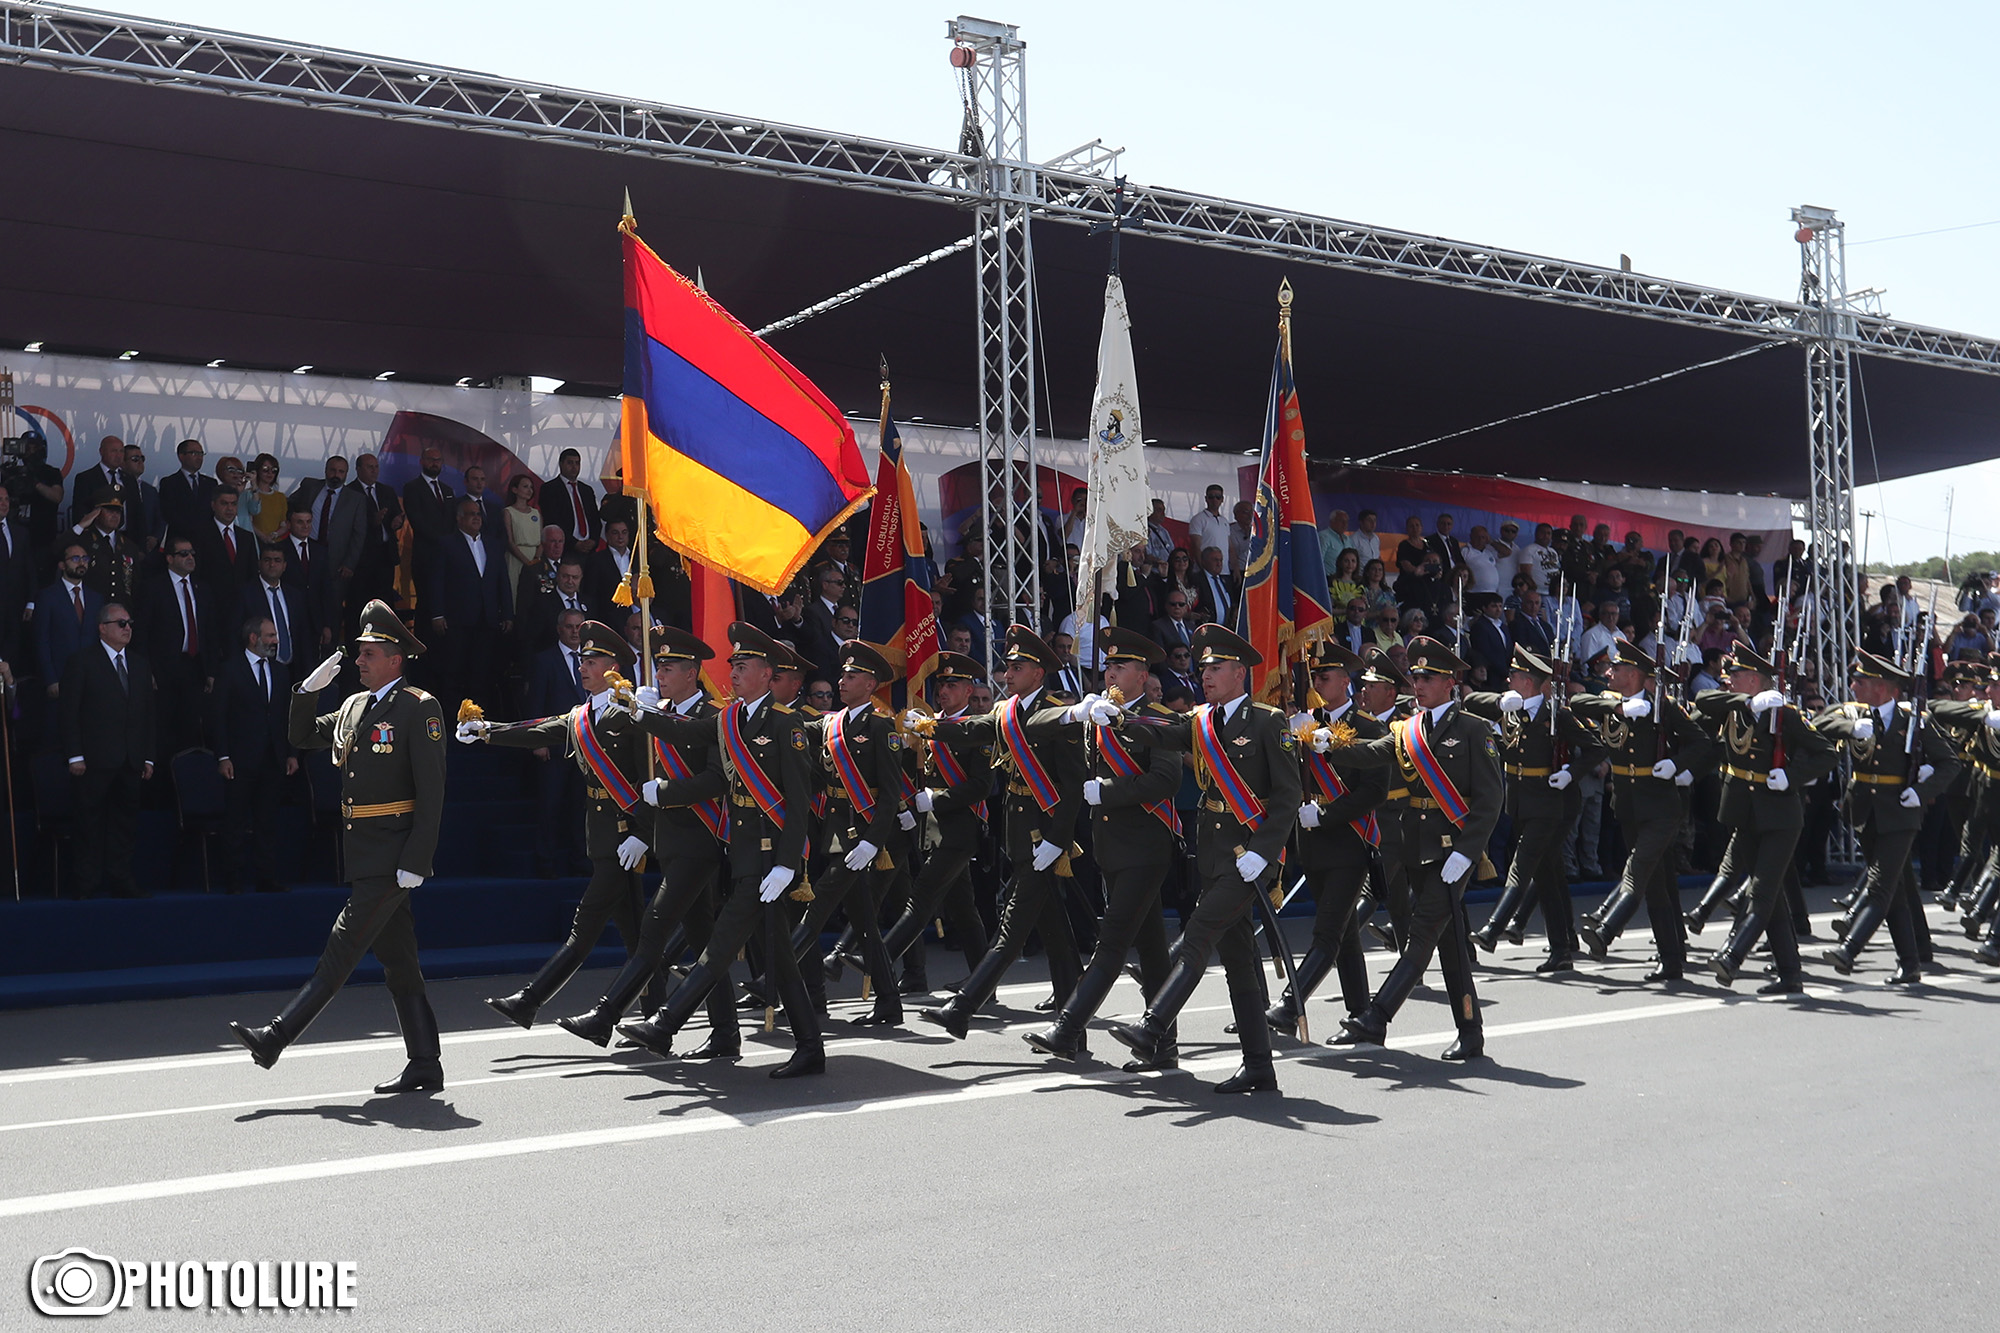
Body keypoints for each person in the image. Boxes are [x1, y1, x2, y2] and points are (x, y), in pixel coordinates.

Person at [229, 603, 448, 1093]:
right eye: (360, 654)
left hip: (391, 858)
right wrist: (306, 692)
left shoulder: (419, 707)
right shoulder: (353, 706)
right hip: (365, 854)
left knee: (340, 951)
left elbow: (431, 791)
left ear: (395, 659)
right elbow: (301, 735)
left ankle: (275, 1037)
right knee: (399, 963)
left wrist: (416, 859)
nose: (360, 662)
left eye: (369, 654)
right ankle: (425, 1062)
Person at [614, 622, 825, 1080]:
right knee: (782, 960)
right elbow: (690, 735)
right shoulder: (730, 719)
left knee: (721, 945)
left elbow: (799, 798)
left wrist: (790, 863)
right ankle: (811, 1047)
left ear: (768, 674)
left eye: (743, 665)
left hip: (771, 857)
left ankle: (665, 1023)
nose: (733, 672)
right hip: (743, 852)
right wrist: (640, 714)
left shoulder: (787, 723)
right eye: (732, 664)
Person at [1097, 622, 1300, 1092]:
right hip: (1212, 855)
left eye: (1215, 668)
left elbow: (1288, 797)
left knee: (1197, 936)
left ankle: (1152, 1027)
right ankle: (1259, 1066)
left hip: (1247, 856)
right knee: (1238, 962)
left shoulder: (1269, 722)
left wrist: (1263, 853)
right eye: (1203, 668)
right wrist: (1122, 720)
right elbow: (1164, 732)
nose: (1205, 676)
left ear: (1239, 674)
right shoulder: (1202, 720)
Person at [1313, 637, 1500, 1059]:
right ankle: (1471, 1031)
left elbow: (1490, 801)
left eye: (1428, 677)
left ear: (1450, 682)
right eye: (1415, 676)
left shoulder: (1474, 730)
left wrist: (1468, 851)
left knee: (1419, 933)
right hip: (1416, 846)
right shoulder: (1406, 730)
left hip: (1452, 850)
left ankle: (1376, 1015)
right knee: (1450, 945)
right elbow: (1372, 754)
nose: (1418, 683)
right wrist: (1330, 744)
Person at [465, 621, 658, 1026]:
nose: (583, 666)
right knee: (637, 935)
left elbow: (650, 780)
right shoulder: (581, 715)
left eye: (592, 660)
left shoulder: (633, 715)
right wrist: (486, 732)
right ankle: (655, 1013)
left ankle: (530, 1000)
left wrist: (643, 833)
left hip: (624, 838)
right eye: (583, 659)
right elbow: (538, 730)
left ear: (614, 666)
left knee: (584, 925)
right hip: (602, 837)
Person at [553, 627, 736, 1047]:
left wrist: (667, 792)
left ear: (693, 673)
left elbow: (716, 779)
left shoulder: (713, 715)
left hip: (699, 839)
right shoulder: (656, 710)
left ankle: (605, 1015)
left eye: (669, 667)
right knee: (703, 939)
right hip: (669, 841)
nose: (660, 674)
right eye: (658, 666)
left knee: (653, 930)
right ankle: (725, 1032)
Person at [1021, 628, 1185, 1062]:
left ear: (1141, 673)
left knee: (1111, 943)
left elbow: (1166, 780)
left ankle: (1066, 1030)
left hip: (1145, 848)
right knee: (1150, 949)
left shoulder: (1158, 717)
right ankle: (1163, 1044)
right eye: (1108, 665)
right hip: (1110, 848)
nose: (1110, 672)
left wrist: (1108, 791)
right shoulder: (1097, 713)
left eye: (1120, 666)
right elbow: (1030, 726)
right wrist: (1075, 713)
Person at [914, 626, 1085, 1041]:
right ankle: (1072, 1028)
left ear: (1039, 672)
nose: (1007, 674)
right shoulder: (1008, 711)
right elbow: (973, 729)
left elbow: (1074, 783)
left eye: (1017, 666)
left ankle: (963, 1006)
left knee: (1011, 927)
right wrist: (929, 728)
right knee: (1057, 937)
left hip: (1043, 838)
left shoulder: (1057, 712)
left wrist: (1058, 839)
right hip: (1020, 835)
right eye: (1007, 666)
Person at [1683, 647, 1839, 992]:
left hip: (1780, 817)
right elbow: (1704, 700)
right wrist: (1745, 703)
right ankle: (1790, 973)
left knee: (1762, 891)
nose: (1729, 681)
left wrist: (1791, 776)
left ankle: (1732, 955)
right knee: (1772, 899)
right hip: (1744, 813)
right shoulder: (1735, 708)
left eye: (1736, 677)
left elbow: (1826, 753)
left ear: (1753, 680)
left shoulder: (1784, 715)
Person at [1569, 642, 1714, 984]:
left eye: (1615, 669)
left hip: (1662, 807)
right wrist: (1621, 709)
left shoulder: (1663, 708)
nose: (1608, 673)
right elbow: (1576, 701)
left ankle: (1607, 930)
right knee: (1657, 886)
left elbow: (1701, 743)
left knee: (1638, 868)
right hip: (1629, 806)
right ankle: (1672, 958)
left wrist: (1675, 764)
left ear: (1633, 674)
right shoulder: (1609, 703)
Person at [1811, 654, 1959, 984]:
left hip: (1901, 812)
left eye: (1860, 682)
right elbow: (1818, 723)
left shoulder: (1913, 721)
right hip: (1866, 811)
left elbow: (1950, 762)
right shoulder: (1856, 713)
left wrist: (1923, 790)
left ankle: (1849, 949)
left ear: (1883, 688)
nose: (1852, 686)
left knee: (1879, 886)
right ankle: (1910, 963)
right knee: (1895, 892)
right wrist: (1850, 727)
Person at [1263, 640, 1387, 1033]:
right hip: (1311, 841)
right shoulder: (1303, 725)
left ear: (1345, 681)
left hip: (1349, 842)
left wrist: (1327, 814)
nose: (1317, 681)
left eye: (1325, 676)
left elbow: (1374, 792)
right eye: (1314, 675)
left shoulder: (1368, 727)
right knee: (1346, 933)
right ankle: (1361, 1015)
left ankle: (1288, 1006)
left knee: (1327, 932)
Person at [783, 640, 909, 1025]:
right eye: (842, 674)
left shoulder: (881, 728)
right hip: (835, 830)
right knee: (865, 922)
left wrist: (873, 841)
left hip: (862, 836)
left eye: (851, 676)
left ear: (870, 685)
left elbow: (889, 794)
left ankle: (776, 977)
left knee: (819, 904)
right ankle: (889, 1000)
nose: (842, 680)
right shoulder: (831, 724)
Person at [1462, 647, 1604, 971]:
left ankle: (1493, 928)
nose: (1508, 679)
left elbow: (1596, 748)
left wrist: (1570, 773)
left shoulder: (1558, 714)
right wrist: (1498, 712)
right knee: (1548, 877)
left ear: (1528, 681)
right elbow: (1472, 705)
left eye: (1514, 676)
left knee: (1522, 863)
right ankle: (1562, 949)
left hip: (1549, 803)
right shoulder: (1511, 710)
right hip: (1520, 801)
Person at [876, 652, 994, 992]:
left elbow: (981, 785)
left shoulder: (976, 727)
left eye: (951, 684)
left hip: (961, 828)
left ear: (969, 691)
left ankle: (881, 959)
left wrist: (938, 798)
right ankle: (983, 982)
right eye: (940, 683)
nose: (942, 690)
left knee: (922, 893)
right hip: (933, 828)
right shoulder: (930, 724)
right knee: (962, 907)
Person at [61, 601, 155, 897]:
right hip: (94, 759)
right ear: (103, 628)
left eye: (129, 623)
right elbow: (69, 712)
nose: (128, 629)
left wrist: (148, 756)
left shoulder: (140, 664)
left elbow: (148, 714)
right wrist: (75, 754)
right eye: (121, 623)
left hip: (130, 759)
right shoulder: (82, 661)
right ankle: (86, 883)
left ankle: (121, 879)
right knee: (88, 823)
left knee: (124, 825)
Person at [210, 615, 296, 894]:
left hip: (273, 758)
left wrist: (290, 753)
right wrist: (223, 756)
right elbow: (218, 717)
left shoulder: (281, 671)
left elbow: (286, 716)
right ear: (253, 638)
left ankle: (266, 876)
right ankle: (233, 879)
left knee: (267, 822)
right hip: (239, 759)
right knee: (235, 821)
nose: (275, 640)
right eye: (270, 635)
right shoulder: (230, 670)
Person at [420, 497, 513, 712]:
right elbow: (436, 582)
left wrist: (508, 613)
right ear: (459, 518)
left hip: (487, 619)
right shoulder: (446, 543)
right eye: (471, 514)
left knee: (481, 673)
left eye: (478, 514)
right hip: (457, 620)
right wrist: (437, 614)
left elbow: (502, 581)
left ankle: (478, 722)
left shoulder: (493, 544)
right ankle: (452, 721)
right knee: (454, 672)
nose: (476, 518)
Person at [35, 540, 105, 701]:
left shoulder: (96, 598)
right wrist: (50, 679)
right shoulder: (47, 597)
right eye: (75, 559)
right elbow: (41, 640)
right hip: (60, 676)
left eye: (85, 558)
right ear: (61, 565)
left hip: (90, 677)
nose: (81, 562)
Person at [238, 543, 310, 670]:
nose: (272, 565)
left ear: (284, 566)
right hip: (262, 667)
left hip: (295, 667)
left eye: (277, 560)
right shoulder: (246, 594)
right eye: (267, 560)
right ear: (259, 564)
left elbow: (303, 633)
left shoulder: (295, 595)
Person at [192, 487, 258, 589]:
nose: (230, 508)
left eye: (234, 504)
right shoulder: (200, 534)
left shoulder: (246, 537)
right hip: (211, 599)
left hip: (242, 600)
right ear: (213, 505)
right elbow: (196, 571)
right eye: (224, 503)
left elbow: (252, 573)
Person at [157, 438, 220, 542]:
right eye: (194, 453)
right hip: (180, 540)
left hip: (206, 541)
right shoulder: (169, 482)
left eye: (201, 453)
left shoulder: (211, 483)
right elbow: (169, 514)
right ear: (181, 456)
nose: (199, 458)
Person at [540, 448, 600, 557]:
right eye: (570, 463)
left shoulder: (586, 490)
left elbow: (595, 519)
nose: (574, 467)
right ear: (561, 464)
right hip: (565, 549)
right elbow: (552, 519)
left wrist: (594, 540)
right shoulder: (550, 489)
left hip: (589, 550)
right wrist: (574, 543)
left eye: (577, 463)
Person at [290, 455, 349, 541]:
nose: (336, 475)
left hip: (337, 550)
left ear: (346, 474)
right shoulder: (310, 486)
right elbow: (288, 504)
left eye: (341, 471)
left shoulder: (355, 498)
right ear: (325, 470)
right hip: (307, 545)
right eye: (332, 470)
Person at [502, 473, 542, 593]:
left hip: (535, 559)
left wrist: (536, 559)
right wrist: (527, 562)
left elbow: (541, 541)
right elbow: (510, 541)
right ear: (514, 489)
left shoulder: (536, 513)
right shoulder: (508, 512)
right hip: (516, 559)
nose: (529, 490)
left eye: (531, 487)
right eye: (525, 486)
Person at [119, 444, 163, 554]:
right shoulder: (116, 487)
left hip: (147, 548)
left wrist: (155, 538)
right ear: (122, 463)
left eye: (142, 458)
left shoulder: (150, 490)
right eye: (135, 459)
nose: (140, 462)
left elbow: (160, 517)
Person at [245, 453, 289, 545]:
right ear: (257, 470)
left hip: (275, 544)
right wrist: (263, 537)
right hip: (254, 543)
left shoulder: (281, 497)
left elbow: (283, 525)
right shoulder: (247, 494)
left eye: (274, 470)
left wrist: (275, 534)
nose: (270, 473)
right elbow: (247, 521)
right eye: (265, 469)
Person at [1186, 484, 1231, 569]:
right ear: (1206, 499)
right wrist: (1203, 569)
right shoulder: (1198, 519)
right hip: (1206, 570)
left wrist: (1235, 567)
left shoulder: (1224, 521)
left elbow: (1230, 547)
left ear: (1222, 499)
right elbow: (1196, 546)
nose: (1214, 499)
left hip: (1224, 570)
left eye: (1217, 497)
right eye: (1211, 497)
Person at [1193, 545, 1237, 626]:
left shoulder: (1226, 581)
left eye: (1221, 560)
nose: (1219, 564)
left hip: (1225, 630)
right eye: (1215, 560)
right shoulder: (1196, 580)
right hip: (1206, 631)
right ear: (1204, 561)